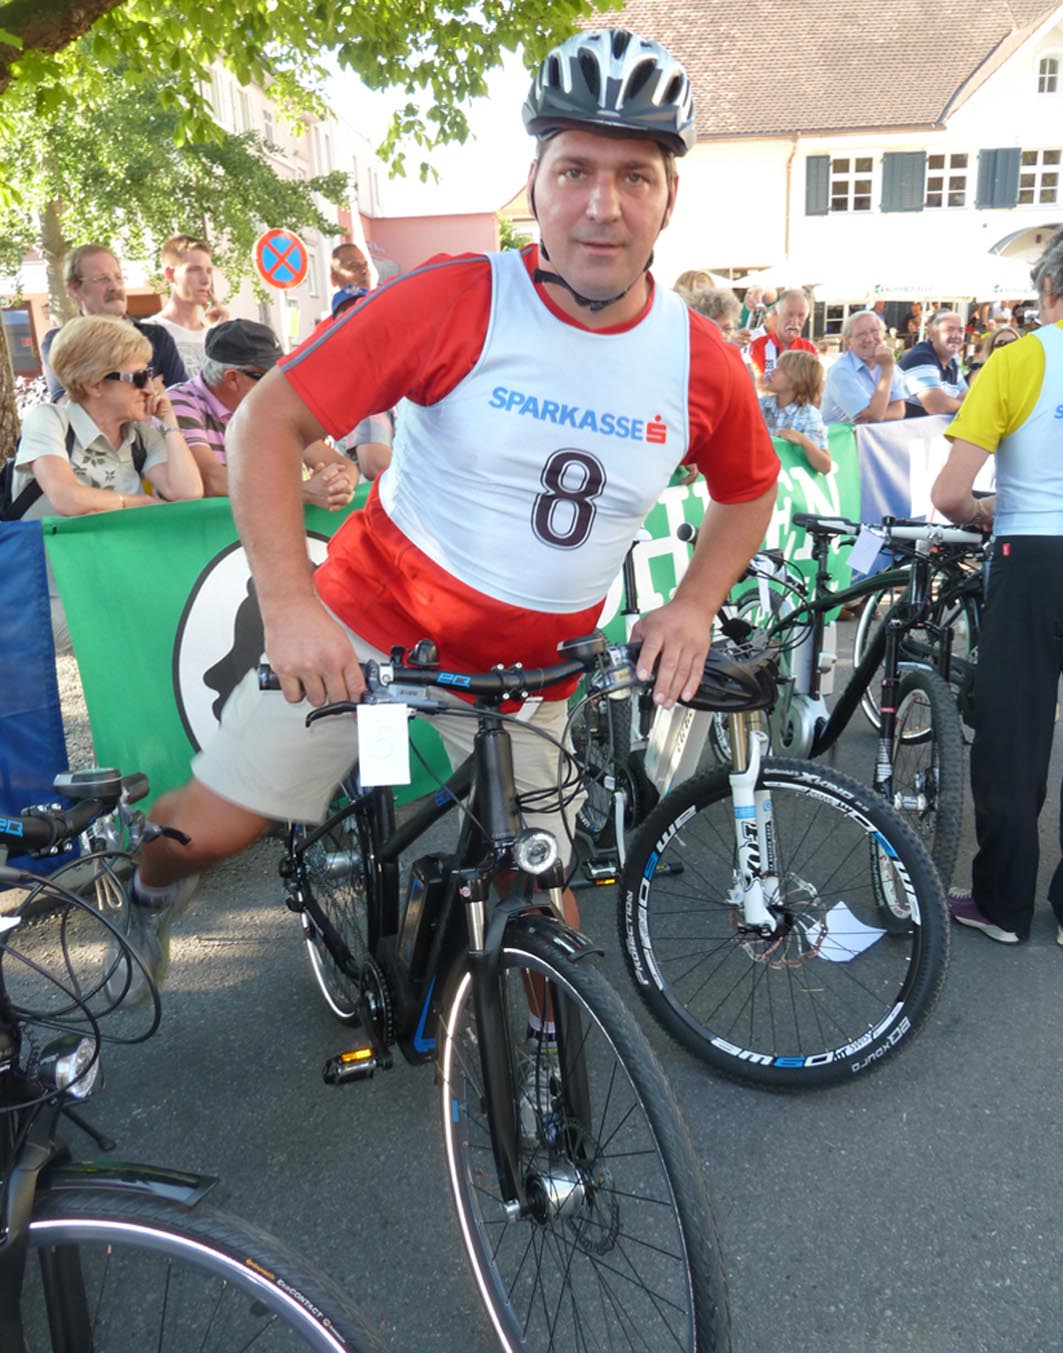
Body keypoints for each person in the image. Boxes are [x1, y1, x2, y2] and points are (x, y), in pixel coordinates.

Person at [125, 27, 779, 998]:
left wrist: (691, 605)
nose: (602, 206)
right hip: (371, 626)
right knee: (211, 829)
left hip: (532, 672)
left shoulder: (700, 360)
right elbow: (267, 420)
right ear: (535, 185)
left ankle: (544, 1074)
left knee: (542, 910)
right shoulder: (456, 299)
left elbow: (750, 485)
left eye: (634, 177)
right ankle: (144, 889)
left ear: (668, 197)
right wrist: (292, 606)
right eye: (574, 171)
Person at [930, 226, 1063, 946]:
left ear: (1046, 290)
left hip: (1033, 553)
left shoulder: (1019, 359)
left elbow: (949, 494)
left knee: (1012, 735)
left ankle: (1002, 903)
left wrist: (982, 511)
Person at [12, 315, 202, 652]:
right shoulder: (49, 420)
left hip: (107, 584)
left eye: (149, 373)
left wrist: (170, 421)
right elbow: (67, 498)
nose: (150, 387)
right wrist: (143, 504)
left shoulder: (140, 435)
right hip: (43, 597)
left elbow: (187, 493)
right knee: (154, 629)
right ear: (93, 384)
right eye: (138, 377)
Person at [166, 319, 356, 509]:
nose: (281, 383)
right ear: (232, 379)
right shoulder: (179, 402)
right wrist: (303, 492)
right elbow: (211, 479)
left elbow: (342, 465)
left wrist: (337, 485)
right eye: (271, 376)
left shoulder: (272, 404)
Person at [41, 244, 188, 399]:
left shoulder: (156, 337)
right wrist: (151, 394)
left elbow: (184, 402)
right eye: (103, 279)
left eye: (118, 278)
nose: (115, 287)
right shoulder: (61, 342)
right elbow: (65, 404)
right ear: (74, 289)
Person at [144, 234, 224, 377]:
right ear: (170, 274)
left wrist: (223, 333)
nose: (205, 280)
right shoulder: (149, 332)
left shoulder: (214, 333)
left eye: (209, 271)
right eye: (194, 270)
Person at [821, 310, 907, 423]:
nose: (869, 339)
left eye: (874, 331)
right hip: (841, 434)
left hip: (875, 433)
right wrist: (887, 370)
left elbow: (899, 411)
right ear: (848, 341)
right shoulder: (840, 371)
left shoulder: (886, 362)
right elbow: (875, 415)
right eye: (861, 334)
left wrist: (872, 415)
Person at [758, 349, 831, 474]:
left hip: (787, 480)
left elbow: (825, 467)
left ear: (796, 380)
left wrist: (804, 441)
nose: (773, 371)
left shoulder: (809, 415)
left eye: (780, 369)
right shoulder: (760, 405)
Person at [898, 309, 968, 417]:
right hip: (904, 427)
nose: (956, 335)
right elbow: (937, 406)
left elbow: (967, 396)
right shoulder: (920, 357)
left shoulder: (951, 363)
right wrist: (967, 406)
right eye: (949, 329)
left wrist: (958, 403)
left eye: (961, 331)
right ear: (932, 333)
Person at [748, 288, 818, 388]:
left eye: (801, 316)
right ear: (777, 313)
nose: (794, 321)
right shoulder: (757, 346)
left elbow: (813, 388)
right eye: (789, 314)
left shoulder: (810, 350)